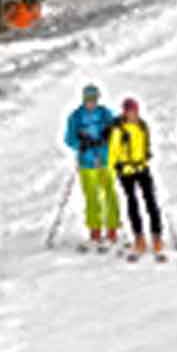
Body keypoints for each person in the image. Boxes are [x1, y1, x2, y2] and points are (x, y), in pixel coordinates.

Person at [63, 84, 121, 250]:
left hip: (104, 160)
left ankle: (112, 230)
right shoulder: (76, 116)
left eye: (94, 99)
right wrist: (81, 143)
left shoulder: (104, 113)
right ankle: (94, 231)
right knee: (91, 197)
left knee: (109, 194)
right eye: (88, 99)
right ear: (83, 99)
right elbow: (69, 139)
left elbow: (115, 130)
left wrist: (107, 136)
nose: (91, 103)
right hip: (87, 163)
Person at [110, 98, 166, 262]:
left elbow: (145, 144)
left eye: (135, 111)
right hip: (126, 170)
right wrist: (116, 167)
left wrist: (146, 154)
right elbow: (113, 152)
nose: (133, 114)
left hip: (142, 168)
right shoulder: (118, 129)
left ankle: (157, 236)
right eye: (129, 111)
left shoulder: (142, 126)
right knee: (132, 203)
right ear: (125, 112)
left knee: (151, 201)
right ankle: (139, 237)